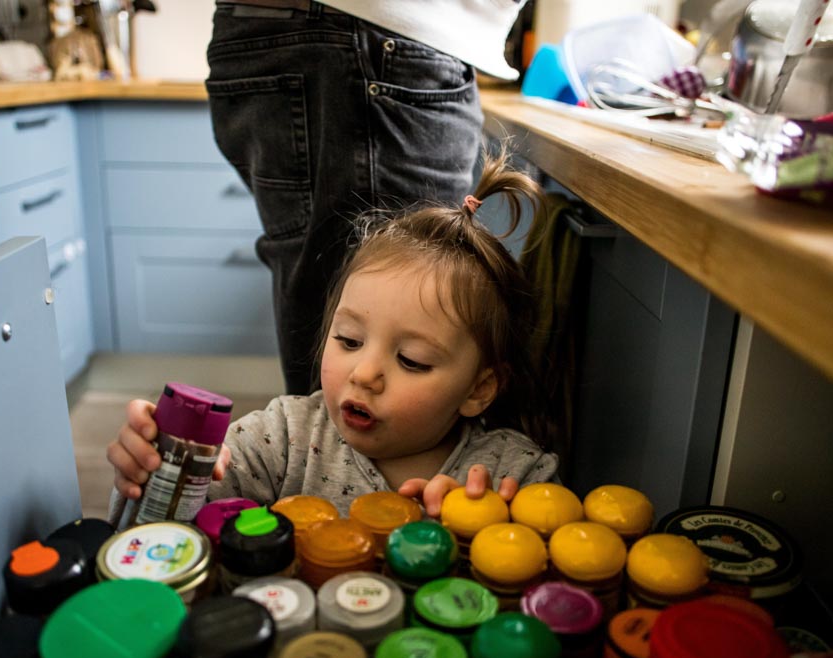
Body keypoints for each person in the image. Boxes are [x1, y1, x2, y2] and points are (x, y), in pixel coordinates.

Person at [107, 150, 557, 522]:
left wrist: (490, 530)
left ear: (478, 388)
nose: (364, 374)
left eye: (412, 360)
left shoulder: (513, 476)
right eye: (348, 340)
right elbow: (163, 529)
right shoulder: (283, 439)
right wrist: (156, 468)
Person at [205, 0, 532, 395]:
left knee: (332, 289)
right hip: (373, 36)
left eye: (411, 360)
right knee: (404, 304)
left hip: (302, 34)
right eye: (413, 360)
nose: (363, 375)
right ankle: (324, 455)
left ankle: (317, 453)